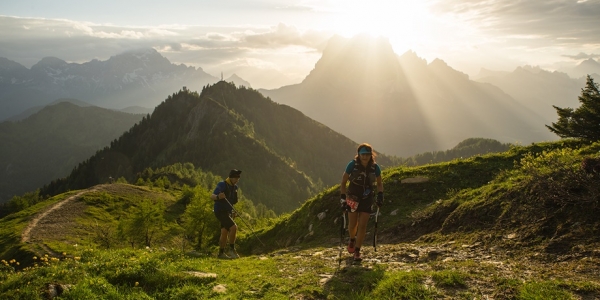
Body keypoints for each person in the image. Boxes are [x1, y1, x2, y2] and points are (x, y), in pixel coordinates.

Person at [340, 143, 384, 261]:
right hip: (352, 197)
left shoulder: (375, 168)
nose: (365, 157)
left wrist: (380, 195)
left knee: (363, 225)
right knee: (353, 224)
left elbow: (379, 183)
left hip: (367, 198)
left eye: (367, 154)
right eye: (362, 154)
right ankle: (352, 239)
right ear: (358, 154)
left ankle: (357, 251)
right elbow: (343, 182)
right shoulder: (352, 165)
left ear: (371, 155)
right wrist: (343, 198)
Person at [211, 169, 242, 259]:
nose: (237, 180)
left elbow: (232, 201)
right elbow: (212, 196)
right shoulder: (222, 185)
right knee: (234, 227)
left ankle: (221, 254)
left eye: (238, 178)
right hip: (220, 211)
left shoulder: (235, 188)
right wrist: (218, 196)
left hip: (228, 212)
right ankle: (231, 250)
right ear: (231, 178)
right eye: (236, 178)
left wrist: (232, 212)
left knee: (224, 231)